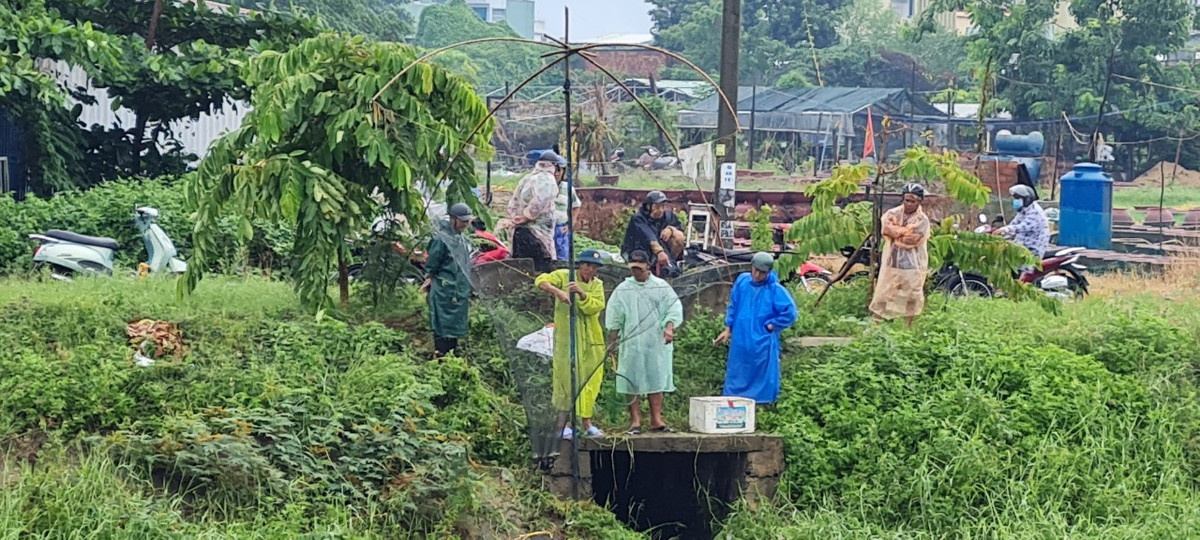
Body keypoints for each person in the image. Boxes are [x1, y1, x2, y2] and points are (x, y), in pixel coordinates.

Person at [605, 250, 684, 434]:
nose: (635, 272)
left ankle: (656, 420)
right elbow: (615, 316)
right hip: (632, 343)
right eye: (632, 268)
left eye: (639, 268)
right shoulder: (623, 289)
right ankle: (635, 422)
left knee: (656, 377)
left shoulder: (661, 286)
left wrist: (669, 329)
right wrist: (612, 341)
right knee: (631, 379)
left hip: (655, 341)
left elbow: (673, 309)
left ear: (648, 266)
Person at [535, 250, 608, 440]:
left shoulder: (597, 285)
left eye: (593, 267)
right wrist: (558, 291)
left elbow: (596, 307)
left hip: (591, 338)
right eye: (587, 265)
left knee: (590, 378)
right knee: (566, 378)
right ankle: (562, 425)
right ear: (580, 265)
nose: (589, 270)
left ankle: (586, 423)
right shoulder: (564, 276)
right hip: (568, 337)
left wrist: (582, 294)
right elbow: (541, 280)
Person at [713, 252, 798, 404]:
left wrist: (772, 326)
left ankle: (762, 404)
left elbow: (790, 312)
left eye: (762, 272)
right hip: (741, 336)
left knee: (762, 373)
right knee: (738, 370)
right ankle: (733, 403)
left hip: (762, 339)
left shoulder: (774, 289)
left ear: (769, 272)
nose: (757, 275)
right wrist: (728, 328)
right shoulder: (742, 282)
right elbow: (734, 305)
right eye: (755, 270)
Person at [869, 183, 931, 328]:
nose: (908, 204)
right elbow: (886, 229)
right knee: (883, 293)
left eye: (912, 201)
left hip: (912, 265)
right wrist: (902, 232)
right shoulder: (893, 213)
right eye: (906, 200)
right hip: (892, 262)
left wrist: (897, 233)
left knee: (912, 296)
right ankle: (874, 325)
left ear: (919, 201)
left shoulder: (922, 220)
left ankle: (907, 328)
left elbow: (912, 240)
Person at [422, 202, 475, 356]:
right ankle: (441, 355)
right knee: (442, 323)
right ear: (452, 219)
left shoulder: (461, 238)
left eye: (467, 221)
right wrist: (429, 278)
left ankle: (452, 354)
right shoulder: (441, 239)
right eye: (462, 221)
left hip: (459, 290)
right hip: (444, 289)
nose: (465, 224)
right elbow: (433, 263)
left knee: (455, 324)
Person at [503, 151, 560, 272]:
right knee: (539, 270)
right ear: (554, 166)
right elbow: (540, 200)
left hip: (519, 231)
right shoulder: (547, 180)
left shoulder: (528, 178)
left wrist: (515, 218)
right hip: (536, 235)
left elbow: (513, 202)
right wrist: (526, 217)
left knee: (522, 269)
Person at [620, 191, 685, 277]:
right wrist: (659, 252)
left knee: (677, 236)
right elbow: (649, 236)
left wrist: (671, 229)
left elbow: (679, 228)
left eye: (663, 206)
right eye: (657, 207)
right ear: (648, 206)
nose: (660, 210)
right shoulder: (639, 218)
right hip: (639, 249)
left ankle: (670, 263)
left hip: (662, 249)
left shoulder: (668, 216)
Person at [998, 184, 1050, 259]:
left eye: (1018, 198)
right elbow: (1014, 224)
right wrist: (1000, 235)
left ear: (1026, 199)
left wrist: (1006, 229)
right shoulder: (1023, 211)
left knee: (1020, 267)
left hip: (1033, 249)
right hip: (1021, 245)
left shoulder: (1035, 212)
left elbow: (1023, 227)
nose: (1015, 201)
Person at [553, 158, 582, 262]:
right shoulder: (544, 187)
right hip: (545, 227)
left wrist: (571, 224)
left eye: (559, 170)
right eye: (554, 170)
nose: (556, 174)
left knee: (562, 257)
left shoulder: (568, 188)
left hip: (561, 227)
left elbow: (576, 206)